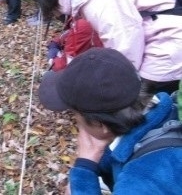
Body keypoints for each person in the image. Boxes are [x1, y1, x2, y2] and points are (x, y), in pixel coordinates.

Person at [20, 0, 182, 94]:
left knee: (145, 101)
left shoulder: (98, 0)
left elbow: (126, 49)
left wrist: (118, 89)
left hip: (168, 43)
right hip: (159, 32)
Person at [38, 47, 182, 194]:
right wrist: (94, 161)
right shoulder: (163, 112)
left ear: (100, 125)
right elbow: (120, 150)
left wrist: (84, 169)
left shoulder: (143, 183)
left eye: (75, 114)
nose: (76, 121)